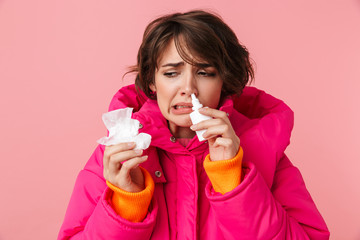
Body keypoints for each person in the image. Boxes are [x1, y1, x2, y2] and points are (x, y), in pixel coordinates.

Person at [58, 10, 330, 239]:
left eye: (204, 73)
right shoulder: (119, 156)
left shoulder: (262, 150)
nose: (188, 88)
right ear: (152, 81)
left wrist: (232, 181)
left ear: (224, 81)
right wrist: (127, 204)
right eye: (171, 73)